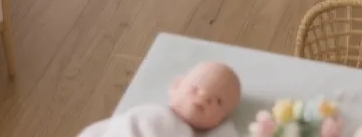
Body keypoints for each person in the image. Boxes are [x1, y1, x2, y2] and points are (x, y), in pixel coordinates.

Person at [77, 61, 242, 136]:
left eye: (218, 101)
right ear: (176, 86)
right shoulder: (154, 115)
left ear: (220, 120)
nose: (205, 96)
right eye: (196, 87)